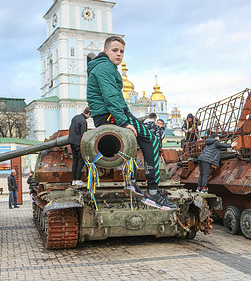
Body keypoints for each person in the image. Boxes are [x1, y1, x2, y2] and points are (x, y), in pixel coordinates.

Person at [86, 36, 176, 211]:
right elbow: (111, 97)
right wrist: (124, 122)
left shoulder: (105, 67)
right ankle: (153, 192)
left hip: (112, 113)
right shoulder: (104, 67)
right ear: (105, 51)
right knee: (151, 139)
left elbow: (116, 98)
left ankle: (131, 182)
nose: (119, 54)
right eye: (115, 50)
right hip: (110, 115)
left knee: (134, 142)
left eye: (122, 51)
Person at [68, 107, 91, 186]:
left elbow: (70, 129)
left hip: (71, 141)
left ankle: (74, 180)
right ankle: (78, 179)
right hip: (78, 143)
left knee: (75, 161)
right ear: (88, 114)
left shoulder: (75, 118)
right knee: (81, 160)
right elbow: (83, 135)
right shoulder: (83, 121)